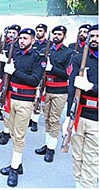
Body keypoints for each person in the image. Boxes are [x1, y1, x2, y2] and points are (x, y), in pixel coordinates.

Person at [0, 28, 44, 187]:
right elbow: (7, 77)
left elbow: (34, 80)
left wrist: (14, 71)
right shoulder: (15, 54)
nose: (21, 41)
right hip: (11, 97)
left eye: (25, 38)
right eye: (20, 38)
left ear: (32, 40)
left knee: (19, 135)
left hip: (25, 100)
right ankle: (18, 163)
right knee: (11, 131)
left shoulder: (38, 58)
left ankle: (14, 168)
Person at [32, 25, 73, 162]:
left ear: (64, 36)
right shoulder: (45, 50)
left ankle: (51, 149)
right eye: (54, 33)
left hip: (59, 91)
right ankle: (48, 143)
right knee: (47, 118)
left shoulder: (68, 53)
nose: (56, 36)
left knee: (54, 120)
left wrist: (52, 68)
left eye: (59, 34)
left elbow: (67, 74)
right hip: (46, 88)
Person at [64, 24, 98, 188]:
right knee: (77, 156)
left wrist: (92, 87)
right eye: (92, 36)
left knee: (92, 159)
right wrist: (69, 117)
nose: (94, 39)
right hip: (79, 114)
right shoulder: (78, 58)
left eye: (98, 36)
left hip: (97, 118)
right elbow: (72, 89)